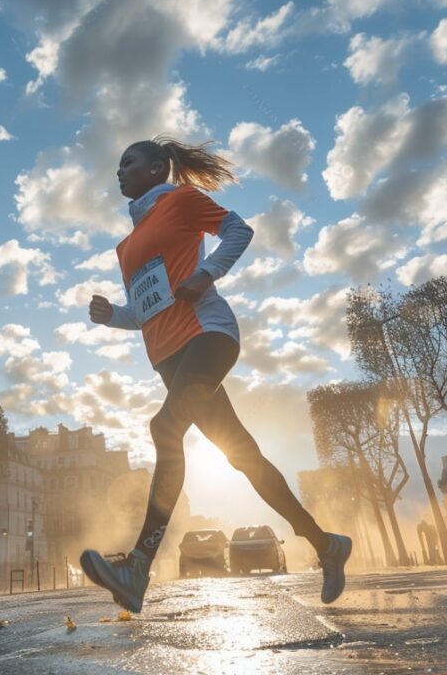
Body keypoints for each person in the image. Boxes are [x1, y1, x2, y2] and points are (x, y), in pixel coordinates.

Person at [79, 134, 353, 613]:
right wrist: (113, 316)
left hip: (207, 334)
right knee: (243, 456)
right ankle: (326, 544)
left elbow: (239, 231)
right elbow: (147, 310)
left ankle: (137, 568)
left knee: (164, 428)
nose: (118, 172)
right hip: (166, 356)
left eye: (128, 163)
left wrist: (206, 275)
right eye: (118, 165)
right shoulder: (126, 247)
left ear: (157, 168)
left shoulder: (180, 200)